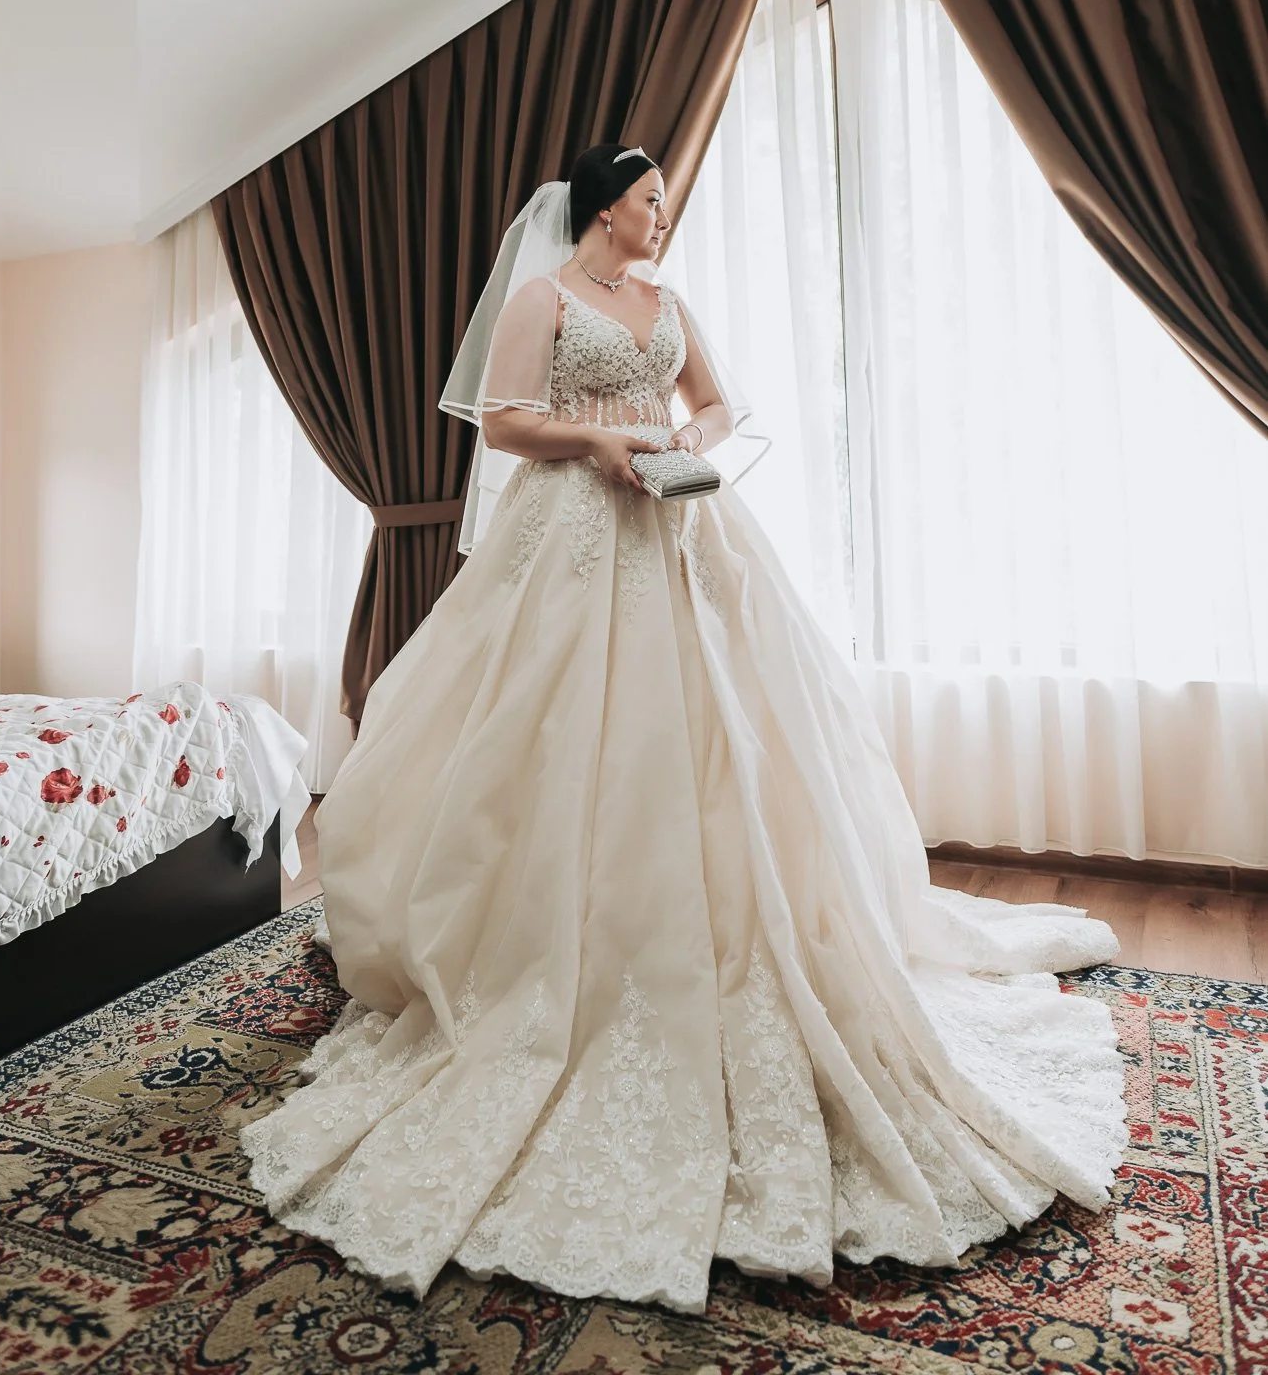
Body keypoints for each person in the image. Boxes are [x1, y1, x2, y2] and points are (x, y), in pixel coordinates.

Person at [242, 143, 1125, 1314]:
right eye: (650, 199)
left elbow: (713, 404)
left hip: (681, 524)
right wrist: (600, 443)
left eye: (664, 201)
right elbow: (502, 424)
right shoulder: (541, 298)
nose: (663, 215)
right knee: (551, 735)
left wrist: (678, 452)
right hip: (570, 531)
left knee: (734, 738)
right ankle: (532, 949)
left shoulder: (668, 301)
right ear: (603, 207)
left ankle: (738, 923)